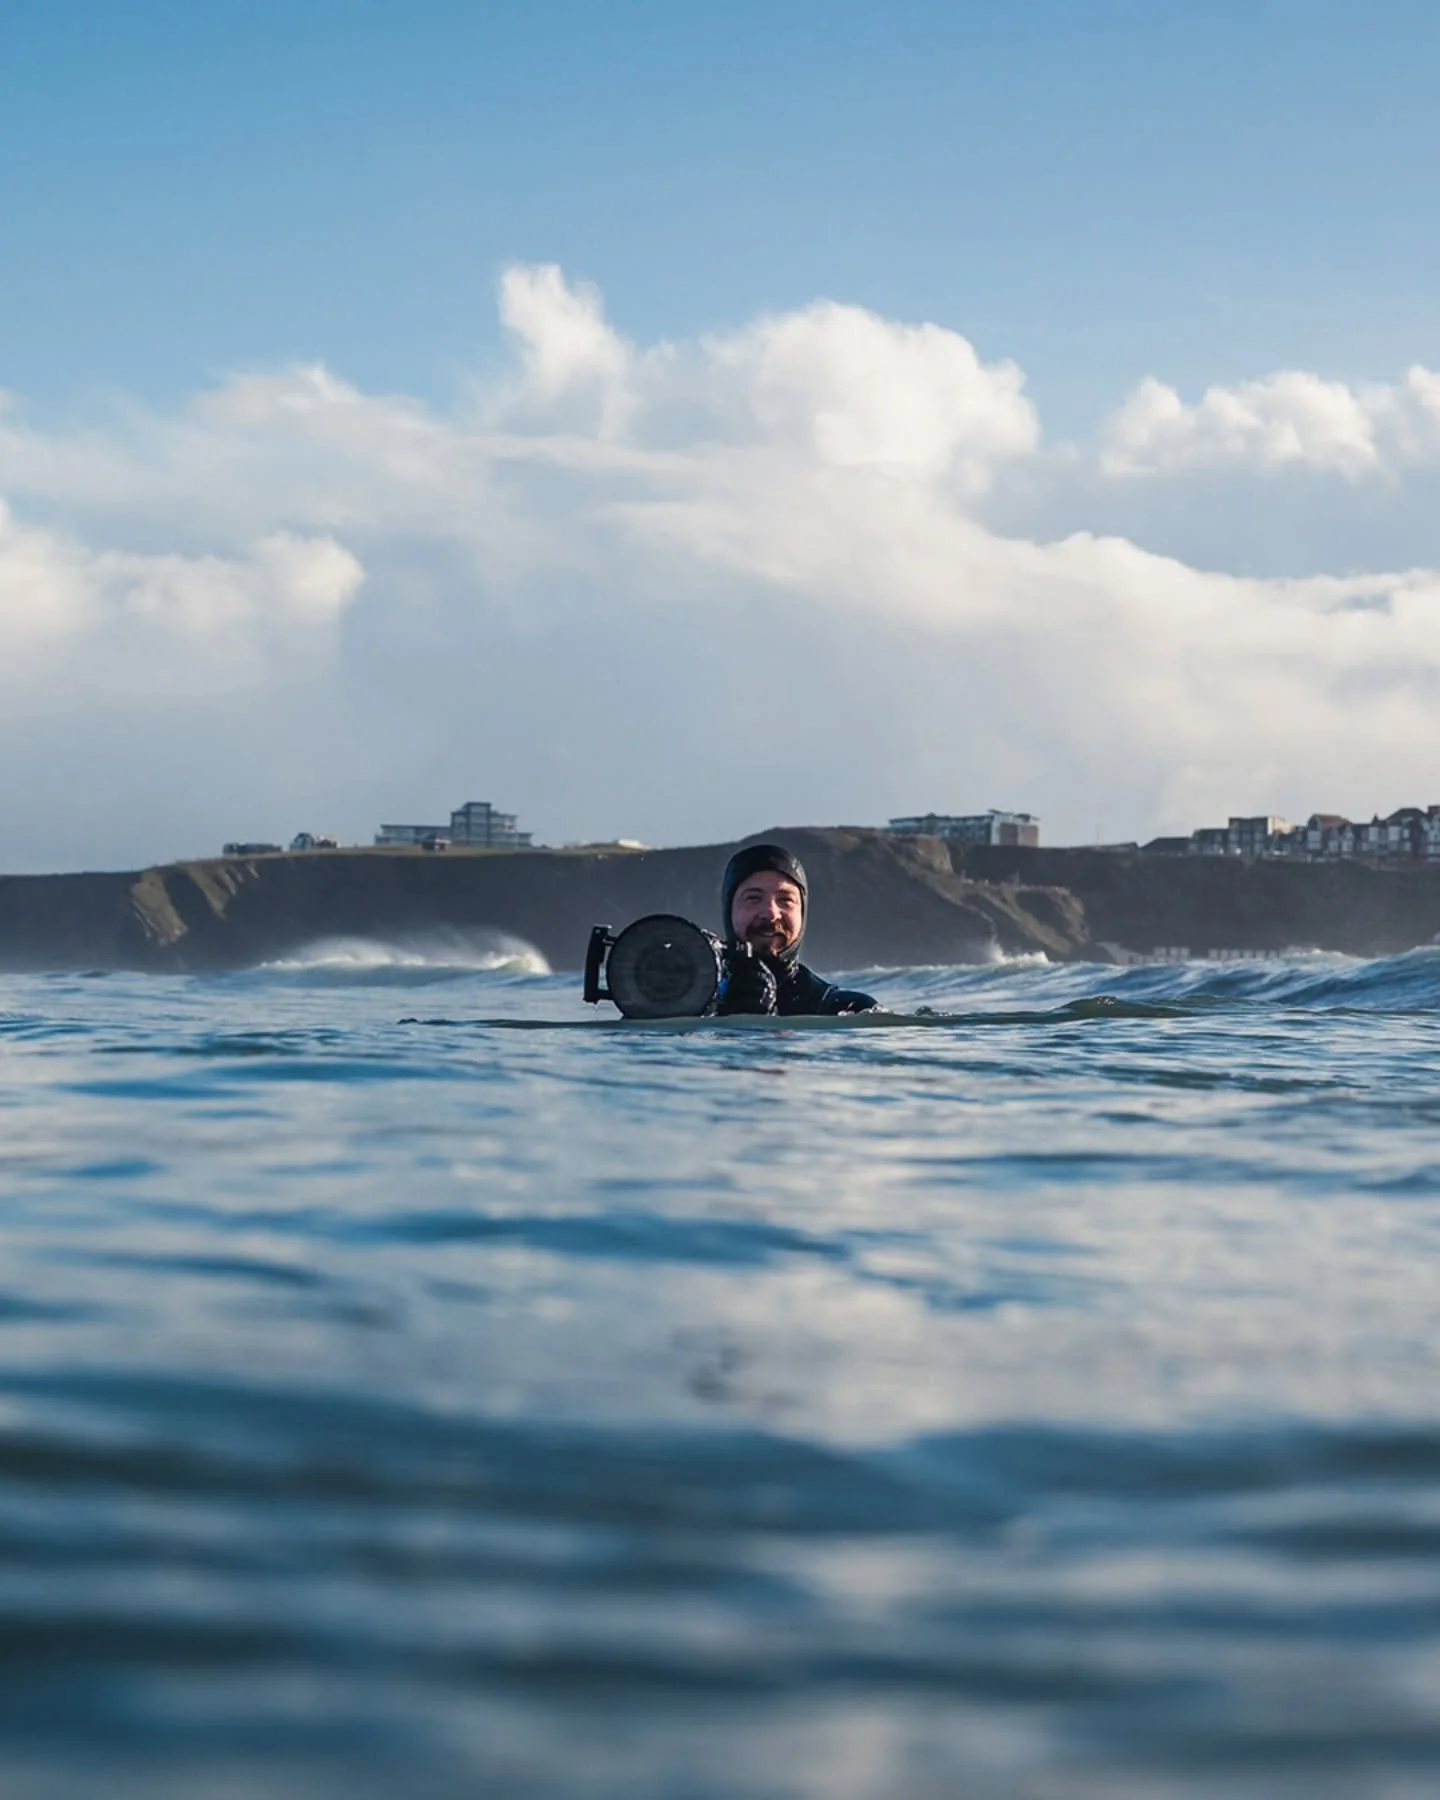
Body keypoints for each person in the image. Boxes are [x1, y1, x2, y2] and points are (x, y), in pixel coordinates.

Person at [716, 843, 878, 1016]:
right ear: (729, 910)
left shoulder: (848, 1010)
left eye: (785, 900)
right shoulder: (691, 1002)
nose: (771, 914)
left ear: (802, 912)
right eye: (753, 898)